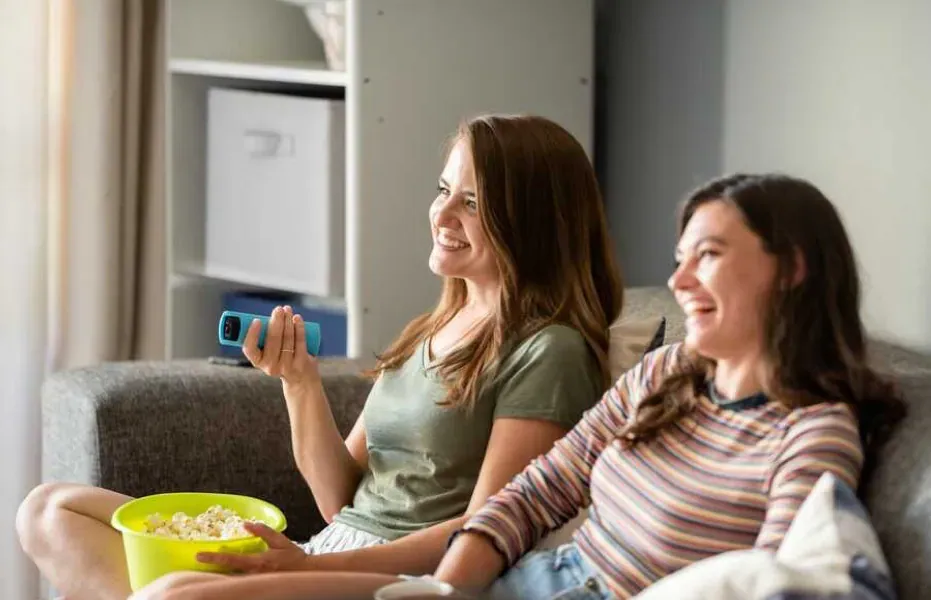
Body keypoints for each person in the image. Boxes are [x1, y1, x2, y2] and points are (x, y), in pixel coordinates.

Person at [126, 173, 906, 600]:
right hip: (510, 579)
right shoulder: (666, 374)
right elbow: (536, 493)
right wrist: (448, 591)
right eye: (680, 257)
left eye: (707, 256)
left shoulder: (810, 431)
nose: (676, 280)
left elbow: (769, 584)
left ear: (793, 268)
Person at [16, 114, 625, 600]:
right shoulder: (433, 326)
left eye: (472, 201)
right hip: (332, 546)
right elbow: (340, 500)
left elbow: (489, 531)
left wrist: (310, 561)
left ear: (534, 221)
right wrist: (299, 382)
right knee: (51, 510)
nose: (441, 215)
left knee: (176, 596)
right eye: (444, 190)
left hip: (389, 579)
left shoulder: (550, 351)